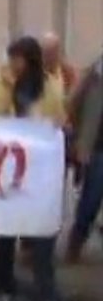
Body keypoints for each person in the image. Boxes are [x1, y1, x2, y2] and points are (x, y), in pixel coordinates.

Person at [0, 36, 66, 301]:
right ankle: (3, 289)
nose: (13, 64)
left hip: (39, 171)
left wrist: (51, 125)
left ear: (29, 59)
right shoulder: (1, 82)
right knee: (6, 234)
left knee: (42, 235)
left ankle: (48, 296)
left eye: (17, 58)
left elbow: (58, 118)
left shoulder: (50, 85)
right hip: (9, 167)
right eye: (11, 59)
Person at [65, 50, 103, 262]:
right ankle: (77, 238)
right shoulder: (95, 75)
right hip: (97, 145)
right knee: (92, 197)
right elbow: (73, 102)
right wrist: (80, 138)